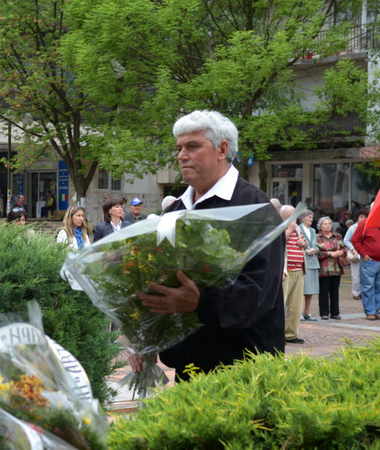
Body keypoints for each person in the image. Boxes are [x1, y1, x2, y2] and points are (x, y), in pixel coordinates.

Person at [130, 110, 285, 382]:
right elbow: (157, 280)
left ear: (221, 150)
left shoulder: (255, 209)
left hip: (245, 371)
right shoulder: (174, 212)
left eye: (192, 146)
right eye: (179, 147)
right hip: (189, 370)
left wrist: (201, 301)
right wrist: (144, 336)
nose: (181, 155)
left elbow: (258, 294)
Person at [351, 214, 380, 320]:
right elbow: (355, 240)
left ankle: (375, 310)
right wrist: (363, 254)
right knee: (368, 286)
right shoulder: (365, 223)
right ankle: (370, 311)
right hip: (369, 261)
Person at [280, 205, 307, 344]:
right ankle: (278, 334)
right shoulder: (280, 227)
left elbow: (304, 244)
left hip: (298, 270)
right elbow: (277, 243)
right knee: (280, 304)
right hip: (285, 271)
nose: (294, 219)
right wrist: (289, 230)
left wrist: (303, 243)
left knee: (296, 306)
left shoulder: (297, 229)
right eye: (292, 216)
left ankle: (291, 334)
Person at [316, 216, 345, 320]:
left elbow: (344, 248)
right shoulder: (317, 237)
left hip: (336, 267)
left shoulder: (338, 236)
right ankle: (324, 313)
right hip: (324, 268)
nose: (328, 226)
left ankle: (335, 312)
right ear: (320, 226)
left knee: (335, 291)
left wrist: (341, 252)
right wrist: (330, 254)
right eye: (325, 224)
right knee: (323, 291)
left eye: (329, 224)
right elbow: (317, 252)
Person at [296, 210, 319, 321]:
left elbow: (316, 245)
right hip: (303, 262)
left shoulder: (313, 231)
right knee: (301, 289)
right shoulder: (297, 229)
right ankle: (298, 312)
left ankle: (307, 311)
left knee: (311, 289)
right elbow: (295, 245)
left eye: (312, 217)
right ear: (303, 218)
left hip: (313, 262)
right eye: (309, 217)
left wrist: (315, 249)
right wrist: (306, 252)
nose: (311, 219)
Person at [344, 209, 368, 300]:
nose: (362, 218)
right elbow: (346, 240)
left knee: (365, 275)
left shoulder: (368, 227)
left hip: (366, 253)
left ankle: (362, 292)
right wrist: (353, 248)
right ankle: (355, 292)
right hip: (356, 254)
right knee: (356, 275)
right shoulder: (352, 228)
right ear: (357, 218)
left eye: (364, 217)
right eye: (361, 217)